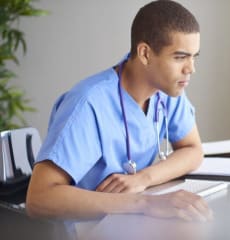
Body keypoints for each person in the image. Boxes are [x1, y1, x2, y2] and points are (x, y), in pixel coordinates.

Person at [26, 0, 212, 222]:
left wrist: (143, 178)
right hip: (86, 231)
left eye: (194, 57)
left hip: (132, 225)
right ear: (145, 53)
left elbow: (193, 149)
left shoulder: (167, 90)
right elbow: (39, 198)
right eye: (180, 57)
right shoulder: (88, 104)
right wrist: (144, 203)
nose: (191, 69)